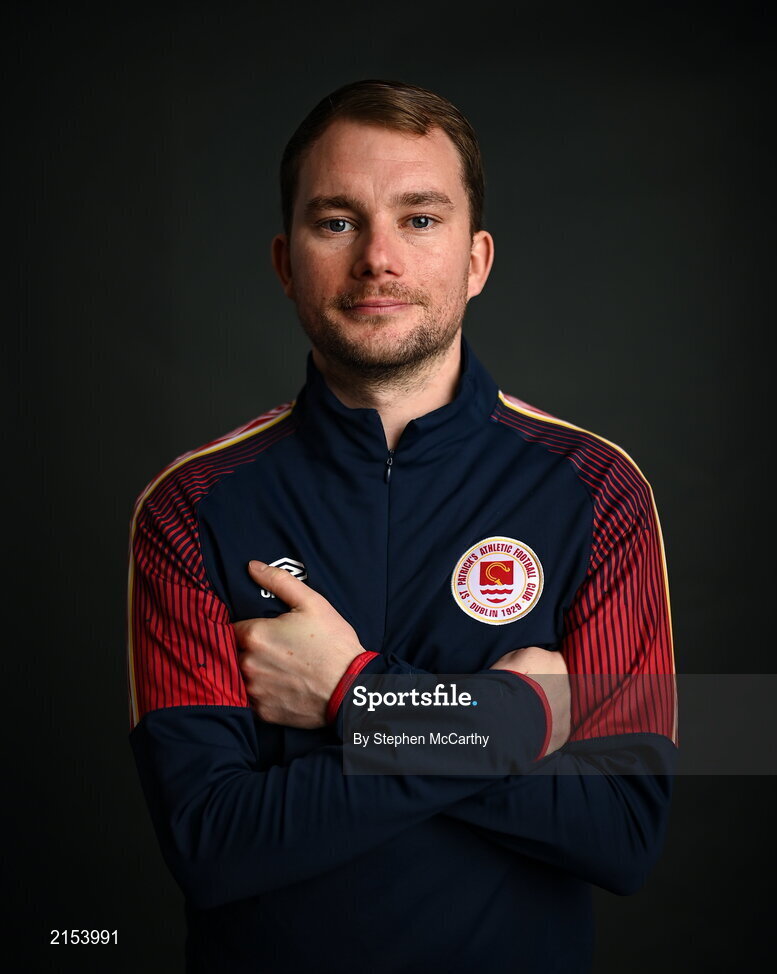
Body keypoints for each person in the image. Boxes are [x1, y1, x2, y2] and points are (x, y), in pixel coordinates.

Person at [127, 79, 677, 973]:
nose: (378, 257)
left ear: (477, 259)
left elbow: (622, 830)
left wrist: (356, 697)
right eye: (336, 221)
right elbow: (212, 845)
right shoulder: (191, 506)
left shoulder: (599, 491)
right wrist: (507, 721)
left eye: (420, 219)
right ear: (283, 259)